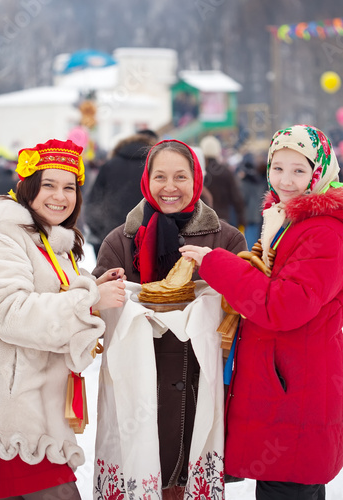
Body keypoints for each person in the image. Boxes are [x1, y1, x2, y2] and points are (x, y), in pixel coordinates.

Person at [180, 124, 343, 500]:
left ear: (320, 171)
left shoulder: (325, 232)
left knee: (288, 487)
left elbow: (283, 307)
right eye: (278, 168)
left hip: (298, 388)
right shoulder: (287, 219)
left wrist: (218, 264)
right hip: (284, 384)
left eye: (299, 170)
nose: (286, 180)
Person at [93, 139, 247, 499]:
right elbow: (99, 316)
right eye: (160, 176)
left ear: (196, 179)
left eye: (180, 176)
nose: (170, 187)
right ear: (147, 180)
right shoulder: (121, 240)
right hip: (139, 395)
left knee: (189, 481)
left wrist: (219, 271)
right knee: (144, 477)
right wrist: (99, 295)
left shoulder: (226, 238)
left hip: (203, 386)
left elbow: (247, 306)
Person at [0, 139, 126, 500]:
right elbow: (7, 311)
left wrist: (92, 287)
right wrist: (89, 303)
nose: (60, 196)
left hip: (37, 415)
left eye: (69, 187)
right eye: (49, 185)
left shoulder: (50, 241)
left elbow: (47, 297)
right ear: (28, 186)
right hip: (14, 416)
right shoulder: (6, 235)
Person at [85, 130, 158, 257]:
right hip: (150, 240)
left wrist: (102, 233)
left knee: (114, 276)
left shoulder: (109, 166)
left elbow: (93, 201)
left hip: (112, 240)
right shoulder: (155, 166)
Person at [200, 135, 246, 229]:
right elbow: (236, 197)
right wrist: (241, 218)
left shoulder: (199, 173)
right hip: (223, 219)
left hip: (203, 219)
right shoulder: (225, 171)